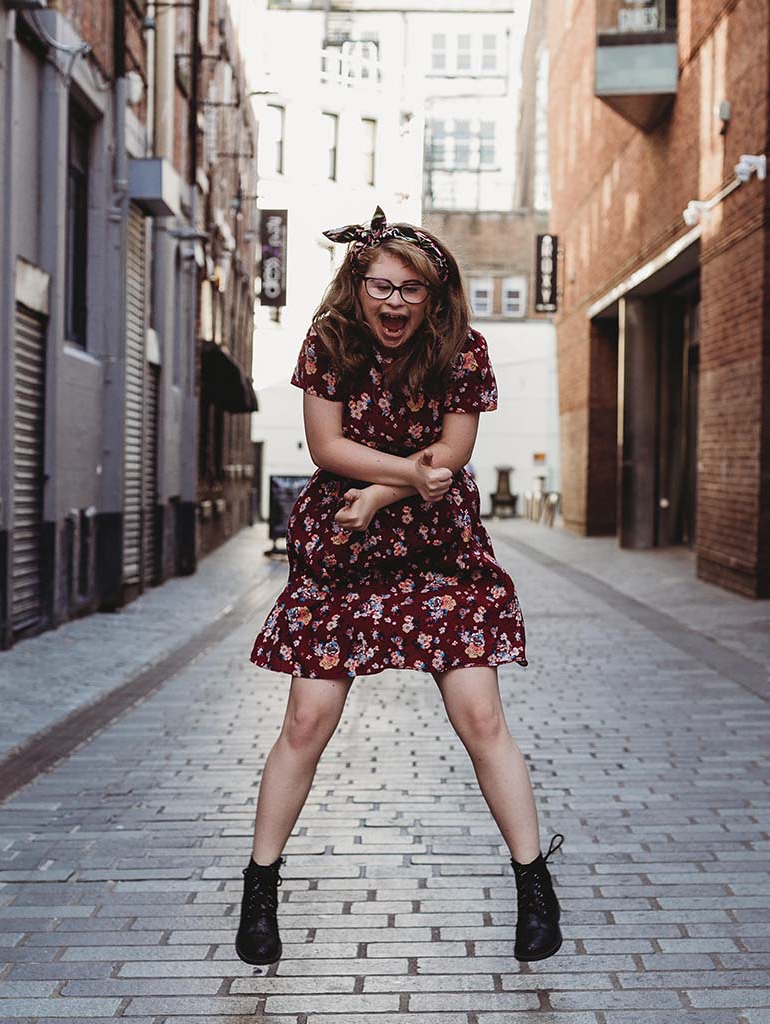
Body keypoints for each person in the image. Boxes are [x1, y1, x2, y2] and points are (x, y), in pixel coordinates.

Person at [239, 206, 563, 967]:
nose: (394, 303)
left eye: (411, 290)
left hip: (434, 546)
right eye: (380, 286)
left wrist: (390, 492)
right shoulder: (328, 343)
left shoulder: (463, 350)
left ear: (434, 296)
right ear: (358, 286)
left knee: (481, 714)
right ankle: (260, 887)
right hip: (344, 547)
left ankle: (534, 884)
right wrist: (403, 476)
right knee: (307, 719)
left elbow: (451, 451)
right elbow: (326, 445)